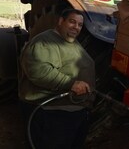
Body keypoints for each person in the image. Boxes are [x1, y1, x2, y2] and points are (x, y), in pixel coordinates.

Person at [18, 8, 95, 149]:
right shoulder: (44, 42)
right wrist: (71, 84)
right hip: (50, 111)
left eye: (79, 25)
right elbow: (39, 71)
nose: (76, 27)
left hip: (70, 111)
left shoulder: (71, 42)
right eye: (72, 22)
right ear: (60, 21)